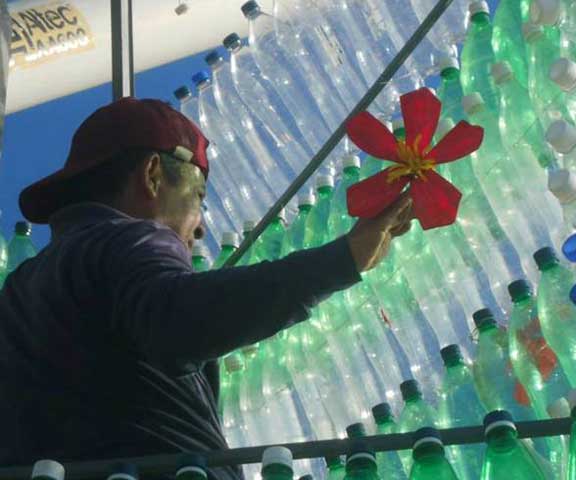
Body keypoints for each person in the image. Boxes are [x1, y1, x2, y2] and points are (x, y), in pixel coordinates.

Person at [0, 98, 413, 479]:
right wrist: (344, 259)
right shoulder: (129, 240)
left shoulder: (18, 294)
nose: (200, 227)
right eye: (198, 196)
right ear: (153, 175)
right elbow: (176, 317)